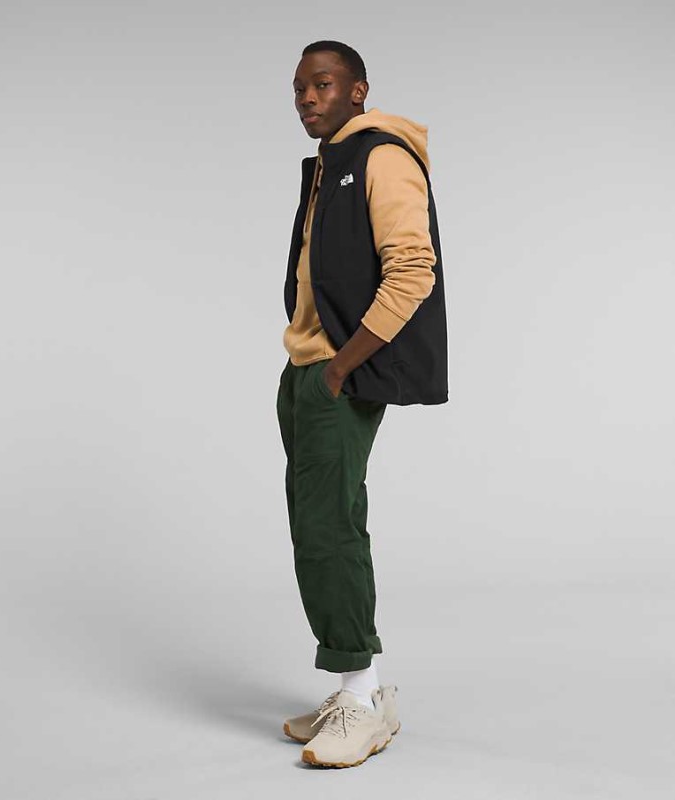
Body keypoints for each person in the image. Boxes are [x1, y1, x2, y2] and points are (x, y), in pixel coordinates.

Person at [276, 39, 448, 769]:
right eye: (298, 88)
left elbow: (413, 270)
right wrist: (308, 365)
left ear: (357, 90)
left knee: (328, 530)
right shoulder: (331, 163)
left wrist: (341, 367)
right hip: (306, 367)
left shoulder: (381, 155)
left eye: (322, 84)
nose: (307, 98)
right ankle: (362, 691)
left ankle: (361, 695)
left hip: (335, 374)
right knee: (320, 524)